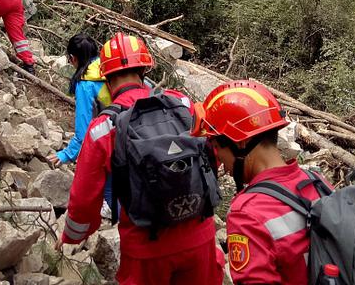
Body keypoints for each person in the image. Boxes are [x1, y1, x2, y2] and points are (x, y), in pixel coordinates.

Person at [60, 33, 223, 285]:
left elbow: (83, 200)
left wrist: (72, 236)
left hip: (146, 248)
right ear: (145, 68)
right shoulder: (182, 104)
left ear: (105, 76)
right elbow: (212, 154)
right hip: (200, 236)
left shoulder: (104, 127)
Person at [192, 81, 331, 284]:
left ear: (240, 142)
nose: (220, 162)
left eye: (217, 147)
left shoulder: (247, 214)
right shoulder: (317, 182)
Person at [48, 34, 111, 168]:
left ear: (73, 58)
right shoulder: (110, 69)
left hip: (113, 143)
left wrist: (66, 154)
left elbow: (83, 130)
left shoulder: (85, 84)